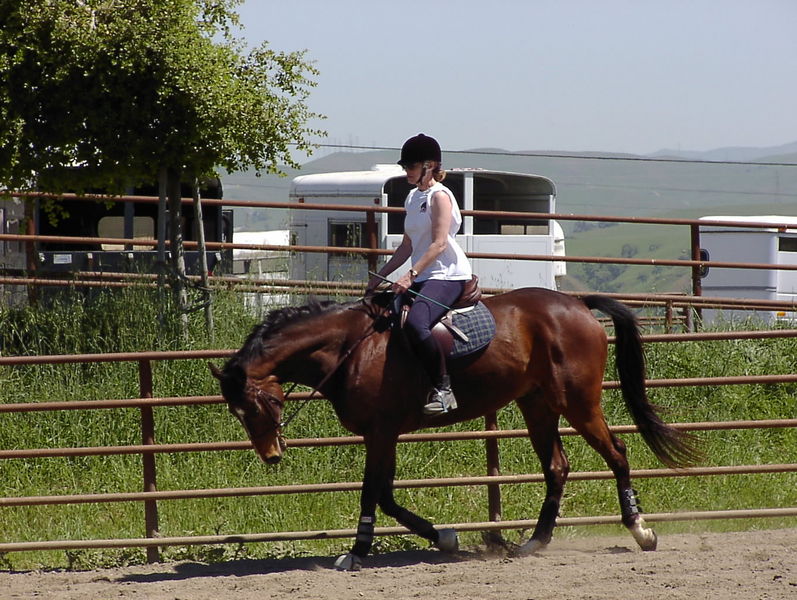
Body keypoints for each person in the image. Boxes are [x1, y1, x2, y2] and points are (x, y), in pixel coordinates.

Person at [366, 133, 472, 415]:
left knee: (416, 323)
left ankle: (443, 389)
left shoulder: (441, 196)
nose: (406, 171)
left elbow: (439, 244)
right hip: (424, 274)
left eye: (411, 166)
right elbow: (407, 245)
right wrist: (380, 275)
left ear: (429, 166)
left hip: (447, 274)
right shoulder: (413, 197)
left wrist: (410, 275)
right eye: (405, 166)